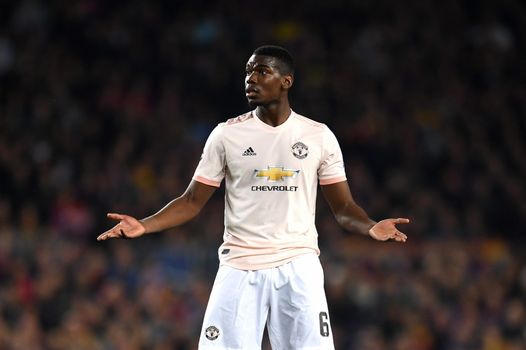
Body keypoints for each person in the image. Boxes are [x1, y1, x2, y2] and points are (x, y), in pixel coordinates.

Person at [97, 45, 409, 349]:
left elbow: (342, 207)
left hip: (298, 265)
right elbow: (192, 201)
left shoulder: (319, 136)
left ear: (286, 81)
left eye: (262, 71)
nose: (251, 79)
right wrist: (144, 225)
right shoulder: (226, 135)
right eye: (248, 72)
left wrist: (369, 226)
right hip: (239, 266)